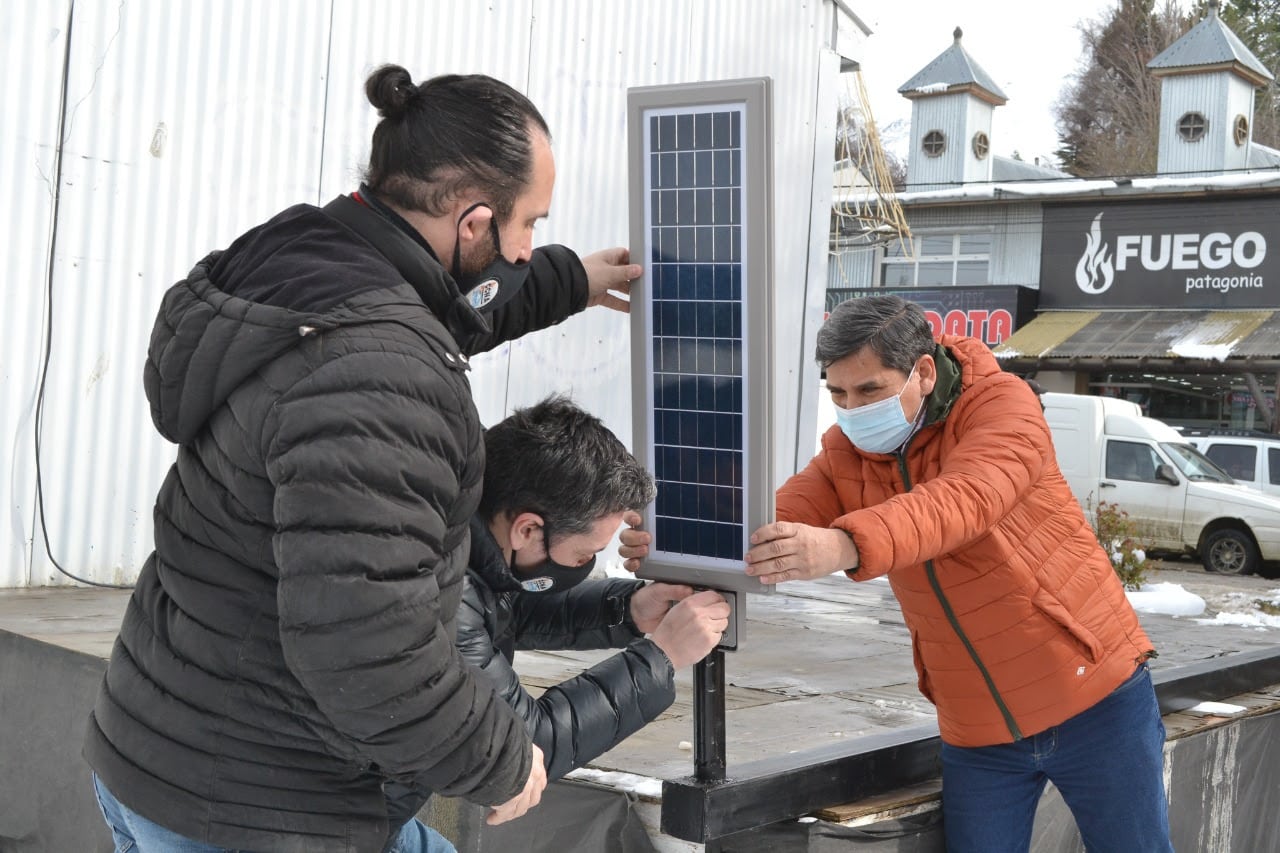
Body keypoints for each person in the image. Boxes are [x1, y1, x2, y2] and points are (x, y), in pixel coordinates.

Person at [84, 66, 641, 853]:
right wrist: (505, 759)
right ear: (475, 223)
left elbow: (453, 302)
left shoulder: (304, 256)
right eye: (529, 228)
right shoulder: (383, 380)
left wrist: (568, 282)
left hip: (163, 743)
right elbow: (370, 651)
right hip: (257, 805)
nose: (528, 250)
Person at [737, 295, 1172, 852]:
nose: (852, 409)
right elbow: (774, 517)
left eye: (869, 390)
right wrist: (686, 540)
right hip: (976, 722)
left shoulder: (1003, 407)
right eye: (837, 393)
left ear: (921, 371)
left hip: (1095, 700)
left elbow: (966, 500)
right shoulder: (848, 451)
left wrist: (844, 544)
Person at [454, 395, 729, 781]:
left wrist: (627, 609)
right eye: (585, 554)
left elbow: (504, 610)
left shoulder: (462, 531)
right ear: (527, 529)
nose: (587, 566)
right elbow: (523, 745)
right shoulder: (447, 592)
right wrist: (661, 656)